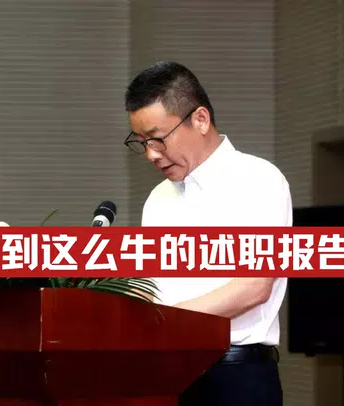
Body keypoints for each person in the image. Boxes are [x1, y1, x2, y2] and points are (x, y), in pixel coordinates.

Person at [124, 61, 292, 406]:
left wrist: (167, 321)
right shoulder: (157, 199)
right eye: (141, 143)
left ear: (200, 119)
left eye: (158, 139)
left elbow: (254, 286)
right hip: (170, 374)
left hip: (237, 377)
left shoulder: (258, 179)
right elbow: (152, 289)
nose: (151, 155)